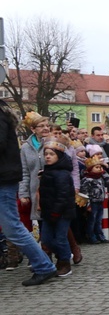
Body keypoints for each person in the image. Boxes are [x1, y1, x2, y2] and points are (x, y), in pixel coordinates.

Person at [0, 99, 58, 286]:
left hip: (3, 180)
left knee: (12, 228)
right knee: (13, 227)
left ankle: (44, 266)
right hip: (5, 178)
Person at [38, 136, 77, 277]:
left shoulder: (62, 174)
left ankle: (64, 261)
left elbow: (63, 195)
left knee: (60, 238)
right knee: (47, 239)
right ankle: (65, 254)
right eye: (46, 154)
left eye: (51, 154)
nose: (47, 157)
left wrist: (56, 212)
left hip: (62, 213)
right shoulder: (47, 171)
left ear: (59, 156)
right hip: (49, 212)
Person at [19, 112, 50, 235]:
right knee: (41, 225)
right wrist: (23, 193)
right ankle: (45, 252)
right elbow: (24, 172)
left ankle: (69, 250)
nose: (46, 128)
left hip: (53, 189)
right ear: (33, 129)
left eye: (47, 125)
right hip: (36, 191)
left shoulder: (52, 142)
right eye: (41, 126)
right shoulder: (26, 148)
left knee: (55, 223)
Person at [80, 154, 109, 243]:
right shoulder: (87, 179)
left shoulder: (100, 178)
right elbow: (84, 193)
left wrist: (103, 171)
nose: (99, 169)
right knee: (92, 221)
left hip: (100, 202)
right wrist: (88, 205)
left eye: (100, 167)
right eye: (97, 167)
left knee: (99, 220)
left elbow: (108, 180)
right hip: (92, 203)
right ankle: (91, 236)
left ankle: (100, 235)